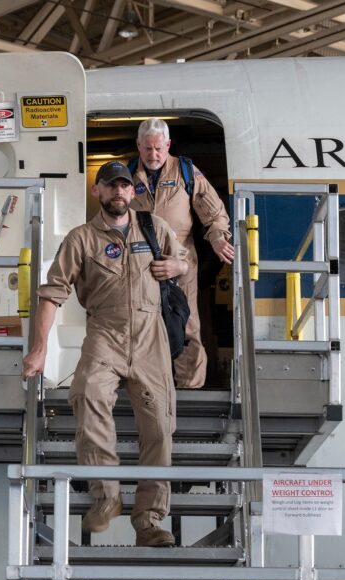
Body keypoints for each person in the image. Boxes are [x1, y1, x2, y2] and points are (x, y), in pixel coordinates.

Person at [21, 160, 188, 547]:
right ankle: (106, 497)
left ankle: (148, 522)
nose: (118, 192)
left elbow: (183, 262)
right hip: (105, 331)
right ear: (97, 191)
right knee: (87, 394)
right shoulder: (81, 238)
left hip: (151, 336)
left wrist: (177, 264)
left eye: (124, 186)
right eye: (110, 186)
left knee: (160, 428)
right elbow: (51, 294)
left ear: (133, 192)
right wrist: (39, 349)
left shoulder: (155, 228)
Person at [129, 117, 235, 389]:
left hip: (181, 260)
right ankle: (148, 387)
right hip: (140, 262)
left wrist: (217, 239)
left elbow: (214, 212)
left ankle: (190, 388)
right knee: (142, 324)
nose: (154, 155)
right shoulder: (127, 174)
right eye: (148, 149)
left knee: (186, 325)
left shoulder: (185, 171)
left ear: (168, 145)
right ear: (138, 145)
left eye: (159, 148)